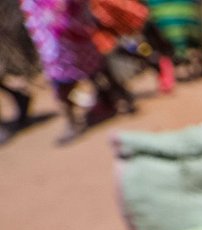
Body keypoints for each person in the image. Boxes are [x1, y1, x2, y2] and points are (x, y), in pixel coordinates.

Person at [19, 0, 134, 142]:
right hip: (49, 34)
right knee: (59, 77)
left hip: (73, 25)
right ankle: (72, 121)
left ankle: (120, 97)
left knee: (95, 67)